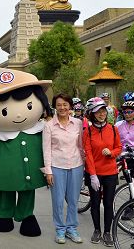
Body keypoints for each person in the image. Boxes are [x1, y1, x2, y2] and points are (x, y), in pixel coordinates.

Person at [0, 68, 52, 237]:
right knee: (6, 194)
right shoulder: (0, 135)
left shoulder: (38, 130)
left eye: (29, 105)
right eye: (4, 111)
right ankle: (4, 215)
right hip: (7, 174)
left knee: (27, 194)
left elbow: (50, 143)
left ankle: (27, 216)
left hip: (30, 173)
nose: (20, 114)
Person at [43, 93, 84, 244]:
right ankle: (60, 229)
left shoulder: (77, 123)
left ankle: (72, 228)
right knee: (58, 201)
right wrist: (48, 171)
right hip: (57, 167)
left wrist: (85, 164)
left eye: (65, 104)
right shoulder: (49, 126)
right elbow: (46, 150)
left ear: (70, 107)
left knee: (73, 200)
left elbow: (80, 145)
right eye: (59, 105)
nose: (62, 107)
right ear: (55, 106)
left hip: (76, 166)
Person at [83, 97, 122, 247]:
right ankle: (97, 230)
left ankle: (107, 232)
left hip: (110, 173)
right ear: (92, 114)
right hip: (94, 173)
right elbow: (88, 154)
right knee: (94, 203)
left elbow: (119, 148)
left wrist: (111, 153)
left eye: (103, 111)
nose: (101, 114)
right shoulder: (88, 132)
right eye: (97, 112)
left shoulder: (113, 129)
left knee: (108, 203)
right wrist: (92, 175)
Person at [115, 101, 134, 220]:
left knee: (133, 183)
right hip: (121, 157)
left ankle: (130, 209)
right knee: (127, 182)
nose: (127, 114)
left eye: (130, 112)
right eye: (125, 112)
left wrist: (131, 151)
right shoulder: (118, 125)